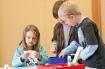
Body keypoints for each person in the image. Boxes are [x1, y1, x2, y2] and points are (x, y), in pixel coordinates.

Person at [58, 0, 105, 68]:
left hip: (97, 63)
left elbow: (92, 46)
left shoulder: (87, 25)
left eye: (65, 21)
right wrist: (65, 51)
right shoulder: (78, 26)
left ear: (72, 17)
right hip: (89, 62)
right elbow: (76, 43)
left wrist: (80, 56)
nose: (66, 24)